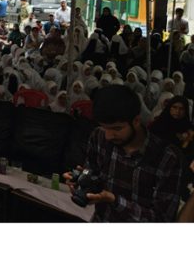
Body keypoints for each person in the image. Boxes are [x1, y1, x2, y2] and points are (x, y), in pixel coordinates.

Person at [63, 85, 183, 222]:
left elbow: (162, 220)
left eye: (117, 128)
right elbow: (94, 174)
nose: (108, 136)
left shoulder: (167, 158)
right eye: (104, 127)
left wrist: (115, 201)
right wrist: (81, 181)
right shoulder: (98, 136)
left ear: (136, 121)